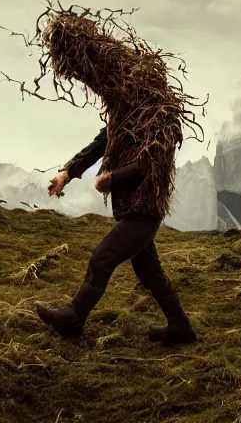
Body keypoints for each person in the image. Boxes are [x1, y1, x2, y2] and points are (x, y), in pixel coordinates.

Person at [37, 125, 197, 346]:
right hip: (133, 213)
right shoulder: (122, 118)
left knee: (102, 258)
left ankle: (73, 319)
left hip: (144, 213)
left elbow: (150, 161)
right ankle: (180, 327)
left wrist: (113, 177)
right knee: (149, 271)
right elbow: (96, 147)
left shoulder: (155, 119)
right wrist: (66, 174)